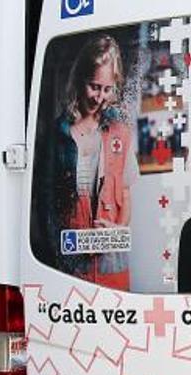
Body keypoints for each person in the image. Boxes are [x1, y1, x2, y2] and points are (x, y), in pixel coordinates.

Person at [53, 35, 138, 290]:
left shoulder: (120, 133)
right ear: (79, 80)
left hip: (112, 266)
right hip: (69, 264)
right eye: (93, 86)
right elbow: (46, 204)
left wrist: (115, 232)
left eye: (107, 89)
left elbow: (125, 194)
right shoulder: (58, 134)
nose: (99, 97)